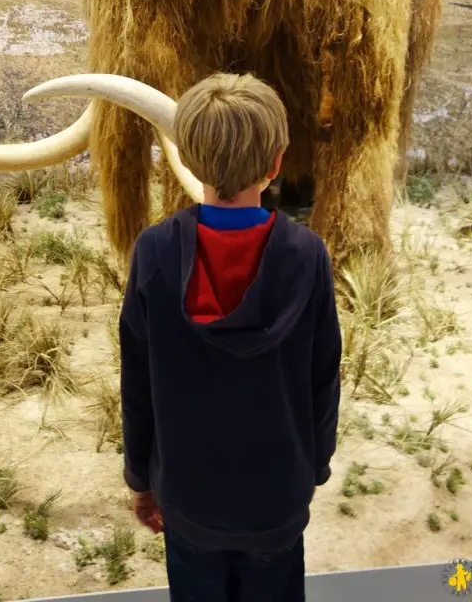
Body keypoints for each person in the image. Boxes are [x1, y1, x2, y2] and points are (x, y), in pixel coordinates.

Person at [119, 72, 342, 601]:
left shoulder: (154, 251)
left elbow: (137, 381)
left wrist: (140, 478)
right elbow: (323, 377)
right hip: (276, 501)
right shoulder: (308, 256)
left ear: (190, 161)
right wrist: (313, 467)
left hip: (189, 500)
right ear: (276, 163)